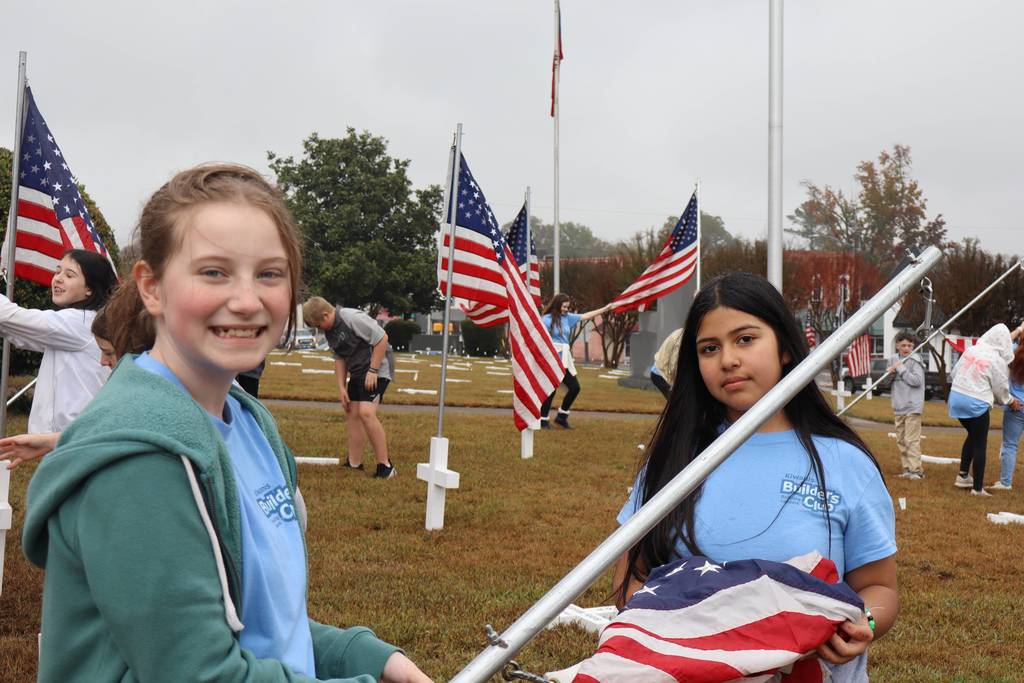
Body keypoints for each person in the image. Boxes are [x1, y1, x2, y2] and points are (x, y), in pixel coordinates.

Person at [22, 164, 432, 682]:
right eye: (213, 272)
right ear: (151, 287)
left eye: (269, 273)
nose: (245, 300)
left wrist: (364, 656)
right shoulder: (139, 463)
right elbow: (197, 673)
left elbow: (256, 621)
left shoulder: (250, 422)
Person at [613, 272, 898, 680]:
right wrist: (666, 634)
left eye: (745, 339)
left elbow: (880, 588)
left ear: (784, 346)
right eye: (709, 348)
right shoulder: (677, 457)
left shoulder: (845, 462)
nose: (728, 359)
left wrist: (865, 624)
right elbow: (630, 570)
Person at [0, 249, 116, 433]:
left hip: (71, 443)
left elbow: (11, 318)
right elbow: (20, 332)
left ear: (90, 289)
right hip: (74, 439)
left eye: (69, 275)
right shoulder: (84, 322)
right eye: (58, 271)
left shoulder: (79, 322)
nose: (58, 278)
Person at [302, 296, 397, 478]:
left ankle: (386, 466)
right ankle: (354, 463)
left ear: (325, 314)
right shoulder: (330, 331)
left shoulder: (351, 318)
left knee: (366, 413)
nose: (320, 330)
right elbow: (339, 358)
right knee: (352, 414)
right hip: (357, 371)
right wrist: (341, 388)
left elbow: (382, 339)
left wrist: (373, 370)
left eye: (319, 325)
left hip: (378, 368)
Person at [946, 323, 1022, 496]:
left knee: (973, 435)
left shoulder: (972, 350)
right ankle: (978, 488)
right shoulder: (997, 361)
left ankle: (963, 475)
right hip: (976, 403)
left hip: (956, 398)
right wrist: (1010, 401)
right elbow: (1000, 389)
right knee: (981, 443)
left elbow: (955, 372)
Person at [539, 293, 612, 428]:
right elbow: (541, 338)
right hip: (552, 359)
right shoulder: (546, 319)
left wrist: (605, 309)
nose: (567, 309)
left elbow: (586, 316)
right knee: (551, 389)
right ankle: (543, 420)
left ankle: (561, 417)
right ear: (557, 304)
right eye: (564, 306)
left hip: (565, 360)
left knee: (575, 388)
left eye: (568, 306)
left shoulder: (568, 318)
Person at [990, 323, 1024, 491]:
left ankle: (1005, 482)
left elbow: (999, 342)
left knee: (1010, 445)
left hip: (1016, 405)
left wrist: (1019, 329)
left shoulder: (1014, 352)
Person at [888, 331, 926, 479]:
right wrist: (891, 373)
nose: (906, 348)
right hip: (898, 405)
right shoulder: (893, 359)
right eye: (903, 345)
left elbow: (917, 381)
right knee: (901, 440)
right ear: (897, 345)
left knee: (911, 440)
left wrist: (901, 369)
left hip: (912, 406)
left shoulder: (915, 360)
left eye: (909, 345)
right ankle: (907, 469)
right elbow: (886, 382)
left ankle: (916, 470)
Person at [650, 327, 683, 399]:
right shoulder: (682, 340)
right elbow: (674, 364)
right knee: (676, 402)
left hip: (660, 371)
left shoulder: (682, 333)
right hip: (660, 374)